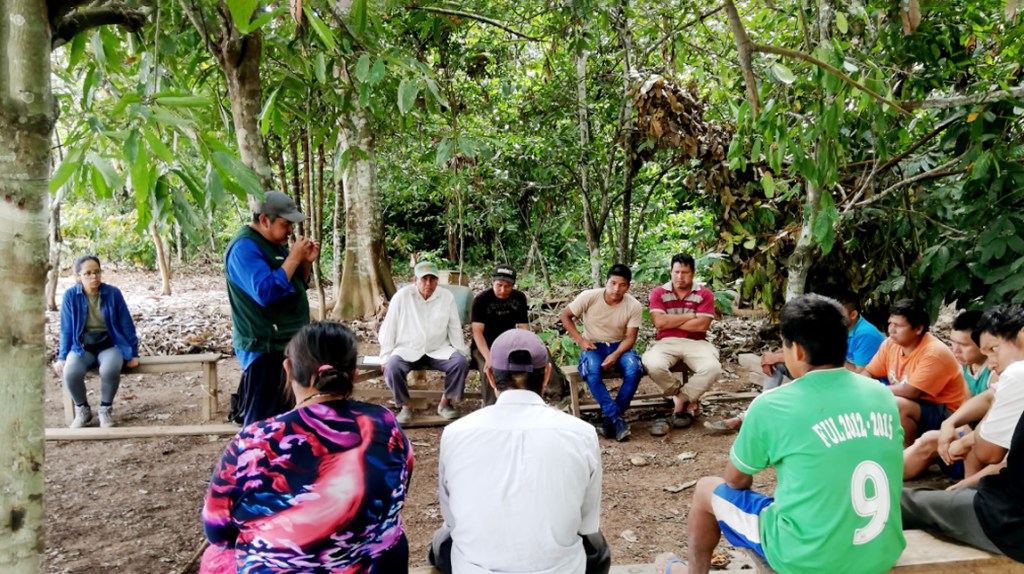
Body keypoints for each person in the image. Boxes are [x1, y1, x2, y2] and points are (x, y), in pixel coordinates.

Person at [661, 294, 906, 574]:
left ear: (797, 350)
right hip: (881, 553)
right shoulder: (881, 395)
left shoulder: (773, 404)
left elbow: (735, 480)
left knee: (706, 488)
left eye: (784, 345)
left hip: (806, 557)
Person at [200, 321, 413, 573]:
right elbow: (400, 486)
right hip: (376, 566)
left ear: (288, 369)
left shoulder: (251, 442)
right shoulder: (385, 422)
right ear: (354, 374)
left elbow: (217, 531)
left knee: (216, 557)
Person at [428, 329, 608, 574]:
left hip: (475, 569)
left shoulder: (455, 433)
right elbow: (586, 524)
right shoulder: (582, 433)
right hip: (560, 569)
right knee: (597, 545)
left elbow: (452, 520)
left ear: (490, 376)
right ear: (546, 375)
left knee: (442, 540)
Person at [901, 306, 1024, 563]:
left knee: (904, 501)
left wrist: (965, 440)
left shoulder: (1018, 373)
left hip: (1010, 524)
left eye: (995, 349)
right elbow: (990, 397)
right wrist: (952, 425)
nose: (992, 363)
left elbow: (989, 453)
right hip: (1005, 498)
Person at [706, 288, 885, 433]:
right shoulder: (832, 325)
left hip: (850, 387)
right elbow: (808, 349)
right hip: (831, 377)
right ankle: (753, 413)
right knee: (777, 365)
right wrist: (775, 356)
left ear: (853, 315)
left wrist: (781, 356)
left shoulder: (865, 334)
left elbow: (861, 375)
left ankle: (755, 416)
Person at [225, 191, 319, 427]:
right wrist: (294, 258)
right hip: (264, 346)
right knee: (262, 421)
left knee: (288, 415)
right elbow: (265, 292)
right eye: (285, 224)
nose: (290, 231)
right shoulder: (244, 248)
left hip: (288, 343)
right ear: (265, 220)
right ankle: (254, 451)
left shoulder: (275, 244)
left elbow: (294, 285)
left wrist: (305, 263)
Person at [903, 309, 1000, 481]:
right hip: (971, 431)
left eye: (964, 345)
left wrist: (961, 438)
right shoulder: (968, 366)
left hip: (991, 441)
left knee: (930, 440)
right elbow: (967, 406)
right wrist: (954, 432)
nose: (956, 350)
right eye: (953, 342)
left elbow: (993, 422)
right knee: (929, 439)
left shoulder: (995, 372)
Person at [862, 299, 966, 447]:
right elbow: (868, 372)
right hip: (917, 406)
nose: (891, 330)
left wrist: (873, 390)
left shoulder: (933, 352)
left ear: (918, 329)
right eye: (890, 323)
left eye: (898, 326)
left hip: (946, 413)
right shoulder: (890, 344)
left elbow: (911, 392)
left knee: (897, 404)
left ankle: (906, 454)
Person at [559, 264, 644, 442]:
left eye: (622, 285)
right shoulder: (589, 297)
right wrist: (581, 340)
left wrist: (615, 354)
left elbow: (630, 338)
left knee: (634, 369)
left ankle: (609, 422)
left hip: (620, 346)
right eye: (613, 283)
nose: (616, 289)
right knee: (591, 371)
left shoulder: (633, 305)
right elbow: (565, 315)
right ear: (606, 282)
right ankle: (616, 419)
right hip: (594, 345)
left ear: (628, 286)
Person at [379, 260, 470, 424]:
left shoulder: (446, 296)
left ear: (437, 280)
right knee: (392, 367)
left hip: (438, 349)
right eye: (424, 279)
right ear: (415, 280)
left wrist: (461, 351)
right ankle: (406, 406)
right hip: (407, 348)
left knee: (460, 363)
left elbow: (454, 326)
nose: (428, 283)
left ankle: (445, 403)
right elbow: (389, 327)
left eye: (432, 279)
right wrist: (385, 356)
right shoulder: (402, 296)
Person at [54, 255, 140, 428]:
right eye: (88, 273)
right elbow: (66, 329)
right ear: (78, 276)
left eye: (97, 272)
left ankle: (105, 410)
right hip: (83, 347)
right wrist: (62, 356)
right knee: (70, 372)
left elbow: (126, 324)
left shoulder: (113, 293)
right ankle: (83, 410)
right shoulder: (71, 296)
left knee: (109, 370)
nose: (94, 276)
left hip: (110, 345)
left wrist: (133, 352)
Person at [641, 253, 722, 435]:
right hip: (666, 342)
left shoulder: (704, 294)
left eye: (685, 273)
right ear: (670, 272)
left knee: (713, 368)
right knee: (652, 364)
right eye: (676, 272)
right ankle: (680, 394)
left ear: (693, 273)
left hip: (697, 342)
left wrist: (671, 321)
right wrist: (690, 316)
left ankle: (681, 398)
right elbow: (660, 323)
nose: (680, 277)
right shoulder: (659, 292)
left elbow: (701, 325)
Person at [470, 264, 566, 406]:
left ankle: (556, 396)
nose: (503, 290)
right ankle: (493, 405)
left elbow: (523, 327)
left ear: (513, 285)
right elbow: (477, 331)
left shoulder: (519, 298)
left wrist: (529, 346)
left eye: (507, 286)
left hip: (510, 342)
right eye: (499, 285)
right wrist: (488, 356)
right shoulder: (481, 300)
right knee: (489, 366)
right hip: (485, 345)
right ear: (493, 282)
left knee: (541, 352)